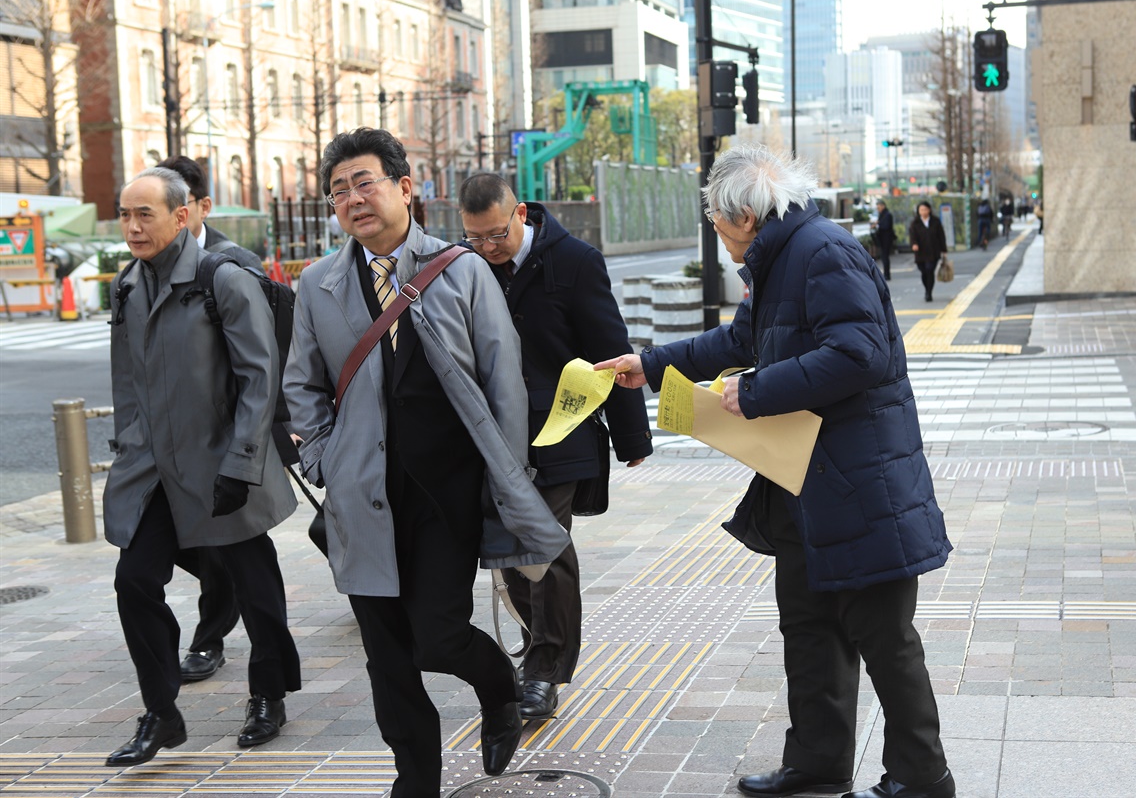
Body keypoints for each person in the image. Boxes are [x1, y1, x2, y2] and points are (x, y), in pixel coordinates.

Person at [595, 144, 954, 798]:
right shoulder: (776, 260)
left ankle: (922, 775)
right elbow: (739, 341)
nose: (716, 232)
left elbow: (860, 353)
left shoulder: (824, 251)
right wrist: (648, 365)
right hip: (803, 481)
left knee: (883, 636)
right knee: (809, 628)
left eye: (715, 219)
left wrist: (756, 392)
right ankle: (816, 762)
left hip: (859, 481)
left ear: (743, 216)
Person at [282, 128, 570, 797]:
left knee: (437, 636)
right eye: (338, 191)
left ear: (405, 187)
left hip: (447, 491)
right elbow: (301, 384)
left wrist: (506, 471)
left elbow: (504, 379)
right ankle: (416, 780)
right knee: (386, 655)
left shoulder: (460, 269)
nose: (352, 199)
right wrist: (324, 458)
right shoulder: (318, 283)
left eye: (364, 182)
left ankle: (499, 686)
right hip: (359, 495)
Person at [104, 167, 301, 766]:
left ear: (181, 215)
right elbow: (127, 380)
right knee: (134, 582)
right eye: (126, 214)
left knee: (254, 582)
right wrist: (128, 448)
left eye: (146, 214)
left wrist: (241, 461)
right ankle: (161, 711)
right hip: (154, 469)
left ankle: (268, 694)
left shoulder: (224, 278)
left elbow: (259, 376)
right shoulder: (127, 286)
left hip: (224, 462)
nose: (134, 227)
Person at [457, 173, 653, 721]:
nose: (487, 248)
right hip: (495, 434)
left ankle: (545, 668)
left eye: (496, 235)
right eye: (475, 238)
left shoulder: (575, 261)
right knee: (508, 548)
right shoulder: (466, 265)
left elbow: (610, 347)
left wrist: (632, 436)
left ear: (520, 213)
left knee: (546, 546)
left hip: (562, 429)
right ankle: (534, 637)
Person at [154, 155, 258, 684]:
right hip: (169, 443)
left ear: (199, 208)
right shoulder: (144, 270)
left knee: (227, 539)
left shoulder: (231, 263)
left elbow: (264, 359)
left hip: (228, 436)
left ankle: (211, 635)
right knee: (168, 539)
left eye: (177, 205)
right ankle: (230, 601)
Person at [908, 201, 947, 302]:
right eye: (921, 210)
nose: (923, 211)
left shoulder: (936, 221)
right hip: (920, 252)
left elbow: (941, 236)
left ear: (929, 210)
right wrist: (914, 244)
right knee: (923, 272)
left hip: (933, 251)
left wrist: (944, 250)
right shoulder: (915, 223)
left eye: (925, 209)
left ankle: (929, 293)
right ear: (918, 211)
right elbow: (912, 236)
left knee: (930, 270)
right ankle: (927, 288)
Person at [874, 199, 895, 280]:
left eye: (879, 207)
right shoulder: (882, 214)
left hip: (886, 239)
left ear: (883, 206)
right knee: (884, 256)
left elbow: (886, 226)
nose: (878, 209)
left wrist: (878, 224)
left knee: (885, 256)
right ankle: (886, 273)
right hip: (883, 239)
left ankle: (887, 274)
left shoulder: (887, 215)